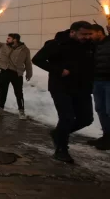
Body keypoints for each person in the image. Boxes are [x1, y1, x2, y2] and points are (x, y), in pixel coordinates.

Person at [32, 21, 94, 163]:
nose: (87, 37)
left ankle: (58, 134)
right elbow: (37, 59)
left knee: (86, 119)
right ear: (73, 32)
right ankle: (61, 150)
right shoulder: (57, 43)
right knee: (67, 117)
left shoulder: (90, 46)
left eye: (89, 34)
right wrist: (59, 71)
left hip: (82, 87)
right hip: (61, 87)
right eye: (83, 34)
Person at [88, 24, 110, 150]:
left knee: (109, 110)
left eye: (91, 34)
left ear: (99, 32)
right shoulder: (93, 46)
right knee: (100, 109)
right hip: (97, 81)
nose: (89, 36)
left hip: (108, 81)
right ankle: (106, 136)